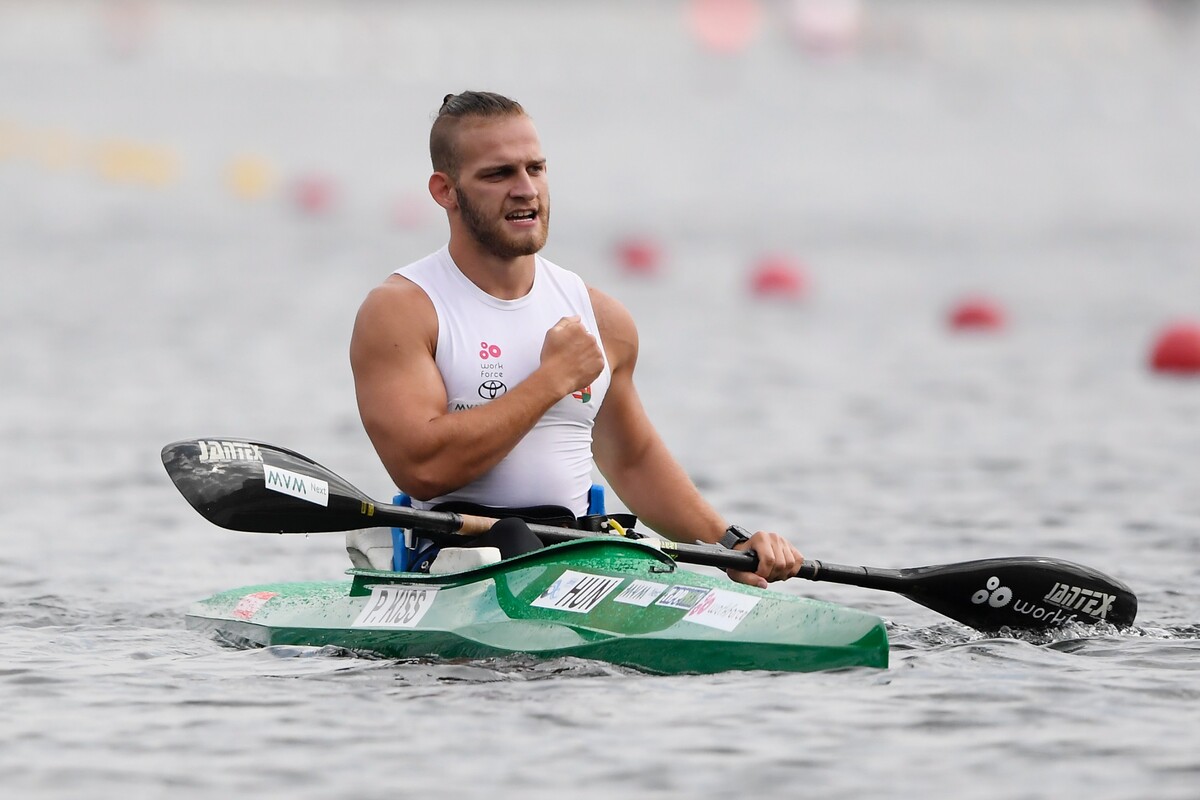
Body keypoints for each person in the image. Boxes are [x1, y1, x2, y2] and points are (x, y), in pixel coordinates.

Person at [349, 91, 802, 588]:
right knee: (511, 544)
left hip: (580, 552)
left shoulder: (601, 318)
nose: (526, 190)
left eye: (536, 169)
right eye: (499, 174)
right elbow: (424, 469)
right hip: (455, 562)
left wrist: (728, 545)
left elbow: (632, 460)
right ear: (445, 191)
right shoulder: (402, 311)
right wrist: (552, 380)